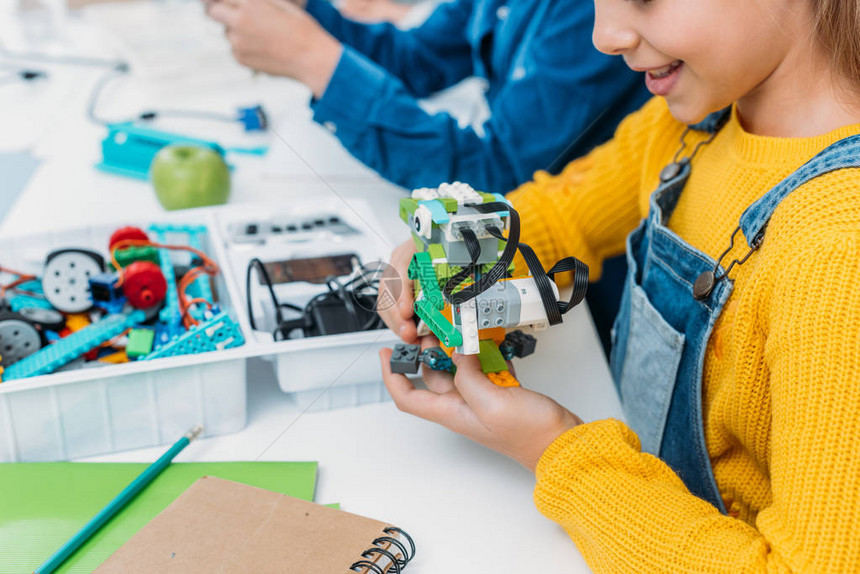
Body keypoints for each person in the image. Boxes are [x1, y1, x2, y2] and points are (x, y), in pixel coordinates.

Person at [376, 0, 860, 569]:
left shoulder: (837, 250)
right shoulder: (690, 125)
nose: (604, 35)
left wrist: (557, 448)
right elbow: (564, 212)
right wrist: (448, 253)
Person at [204, 0, 649, 194]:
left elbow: (498, 178)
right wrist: (302, 10)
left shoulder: (592, 15)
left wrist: (313, 59)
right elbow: (420, 57)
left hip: (578, 287)